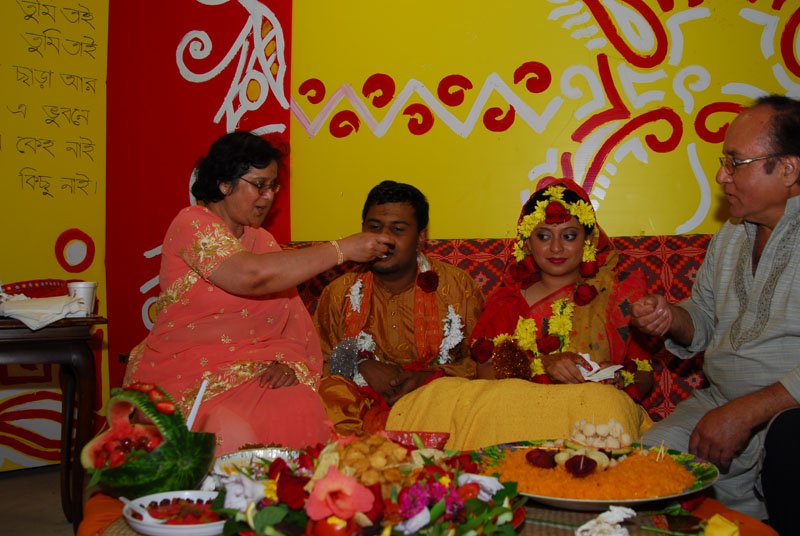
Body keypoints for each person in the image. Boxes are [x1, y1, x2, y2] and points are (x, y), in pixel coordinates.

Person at [123, 131, 393, 455]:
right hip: (190, 377)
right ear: (224, 183)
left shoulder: (261, 240)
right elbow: (249, 277)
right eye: (259, 185)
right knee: (231, 431)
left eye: (272, 186)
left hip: (256, 374)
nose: (267, 197)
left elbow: (289, 322)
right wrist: (342, 249)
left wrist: (286, 363)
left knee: (299, 404)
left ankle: (288, 488)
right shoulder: (192, 223)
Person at [386, 178, 654, 450]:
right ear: (528, 242)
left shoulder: (616, 297)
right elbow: (485, 373)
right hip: (516, 411)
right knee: (442, 392)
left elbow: (644, 373)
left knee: (607, 402)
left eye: (569, 236)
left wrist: (620, 379)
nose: (556, 248)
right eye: (544, 236)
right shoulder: (508, 302)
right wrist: (544, 364)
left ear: (588, 240)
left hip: (588, 412)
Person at [631, 95, 800, 521]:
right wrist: (670, 317)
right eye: (724, 162)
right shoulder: (732, 234)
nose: (722, 175)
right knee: (647, 463)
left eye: (735, 162)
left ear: (787, 169)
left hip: (786, 412)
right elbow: (703, 317)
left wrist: (748, 411)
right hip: (719, 400)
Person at [313, 180, 485, 434]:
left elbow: (481, 361)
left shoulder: (458, 288)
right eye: (374, 228)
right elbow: (316, 361)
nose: (384, 238)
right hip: (358, 414)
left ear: (421, 237)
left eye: (398, 229)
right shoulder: (338, 293)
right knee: (329, 394)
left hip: (437, 408)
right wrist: (361, 366)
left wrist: (429, 378)